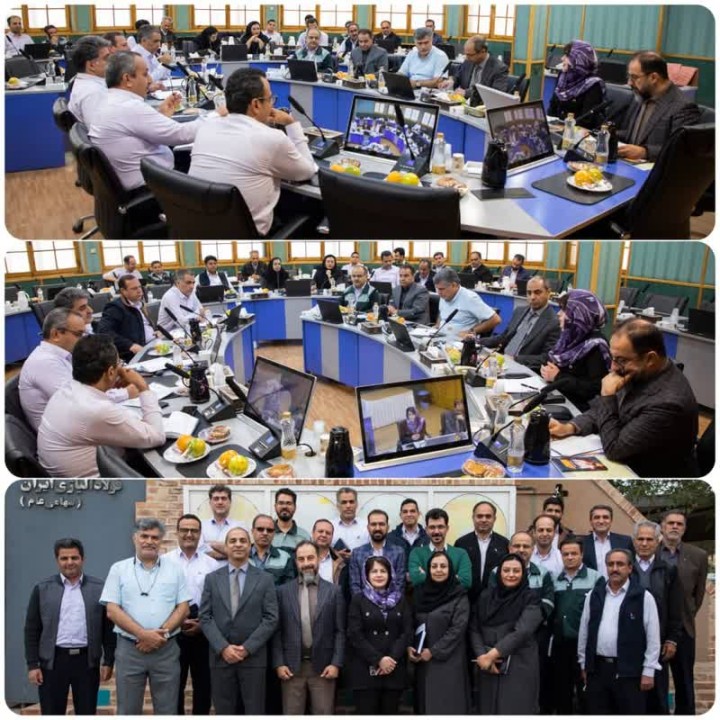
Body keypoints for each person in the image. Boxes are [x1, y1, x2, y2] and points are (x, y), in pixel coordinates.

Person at [549, 318, 699, 477]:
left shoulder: (668, 403)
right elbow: (601, 411)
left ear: (650, 359)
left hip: (646, 474)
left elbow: (615, 449)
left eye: (621, 360)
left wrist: (607, 397)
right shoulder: (642, 372)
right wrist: (570, 427)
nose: (613, 367)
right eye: (613, 358)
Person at [188, 68, 316, 237]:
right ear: (256, 105)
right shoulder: (271, 138)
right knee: (312, 210)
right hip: (248, 239)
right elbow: (308, 171)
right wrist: (291, 123)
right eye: (270, 99)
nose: (272, 105)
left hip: (199, 230)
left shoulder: (206, 127)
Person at [37, 335, 165, 477]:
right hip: (97, 485)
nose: (121, 368)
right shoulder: (95, 409)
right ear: (110, 372)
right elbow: (157, 437)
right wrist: (143, 388)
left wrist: (109, 385)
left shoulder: (67, 389)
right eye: (119, 364)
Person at [100, 518, 191, 715]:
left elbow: (184, 608)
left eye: (155, 537)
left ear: (161, 541)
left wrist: (160, 635)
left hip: (166, 650)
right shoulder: (118, 569)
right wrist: (143, 635)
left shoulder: (175, 569)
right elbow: (112, 610)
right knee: (128, 710)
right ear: (135, 538)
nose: (149, 541)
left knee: (168, 711)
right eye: (144, 536)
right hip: (129, 650)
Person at [24, 538, 115, 715]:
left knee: (87, 712)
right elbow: (32, 630)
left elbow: (108, 630)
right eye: (64, 558)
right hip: (53, 663)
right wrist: (32, 665)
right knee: (52, 712)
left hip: (87, 662)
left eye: (74, 557)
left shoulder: (99, 588)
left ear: (83, 559)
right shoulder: (42, 589)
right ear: (57, 560)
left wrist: (108, 661)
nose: (69, 562)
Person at [89, 52, 196, 193]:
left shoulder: (109, 101)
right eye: (145, 74)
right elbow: (180, 135)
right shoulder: (129, 107)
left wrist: (162, 116)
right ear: (127, 79)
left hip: (142, 180)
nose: (150, 80)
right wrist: (216, 117)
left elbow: (137, 130)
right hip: (153, 188)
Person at [199, 526, 279, 714]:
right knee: (224, 711)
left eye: (243, 541)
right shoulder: (212, 579)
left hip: (253, 658)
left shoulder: (265, 579)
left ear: (250, 546)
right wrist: (223, 648)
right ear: (226, 547)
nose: (238, 544)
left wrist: (247, 648)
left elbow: (271, 618)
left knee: (254, 710)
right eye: (233, 541)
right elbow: (205, 616)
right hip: (221, 658)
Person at [577, 548, 662, 714]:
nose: (615, 568)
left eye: (620, 564)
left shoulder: (643, 597)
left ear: (630, 568)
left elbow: (653, 637)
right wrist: (584, 663)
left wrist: (649, 670)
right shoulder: (594, 595)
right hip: (598, 670)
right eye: (611, 564)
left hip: (630, 672)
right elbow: (584, 631)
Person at [19, 309, 131, 431]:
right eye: (78, 334)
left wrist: (111, 383)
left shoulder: (63, 356)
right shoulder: (44, 362)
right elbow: (80, 401)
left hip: (75, 423)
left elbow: (86, 388)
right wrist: (127, 392)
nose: (83, 340)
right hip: (65, 433)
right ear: (56, 334)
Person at [273, 541, 346, 714]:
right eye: (301, 559)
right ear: (296, 562)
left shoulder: (334, 591)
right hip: (291, 668)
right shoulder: (282, 592)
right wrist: (279, 663)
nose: (306, 563)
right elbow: (277, 632)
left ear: (318, 559)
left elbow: (340, 631)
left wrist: (336, 663)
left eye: (310, 558)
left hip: (323, 667)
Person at [471, 553, 544, 714]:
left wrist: (493, 654)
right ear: (499, 572)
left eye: (516, 571)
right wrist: (482, 655)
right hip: (487, 666)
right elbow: (474, 628)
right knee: (488, 709)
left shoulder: (531, 598)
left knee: (515, 708)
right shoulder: (485, 596)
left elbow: (523, 631)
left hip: (519, 664)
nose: (511, 575)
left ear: (523, 573)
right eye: (506, 570)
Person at [165, 514, 220, 715]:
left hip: (203, 629)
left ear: (200, 534)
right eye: (184, 530)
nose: (189, 534)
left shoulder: (211, 564)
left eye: (194, 530)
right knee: (174, 685)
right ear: (177, 532)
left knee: (204, 685)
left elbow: (217, 601)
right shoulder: (164, 562)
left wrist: (203, 625)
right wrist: (175, 622)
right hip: (172, 630)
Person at [346, 557, 411, 714]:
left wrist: (391, 659)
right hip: (365, 671)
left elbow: (407, 631)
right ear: (366, 575)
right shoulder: (358, 600)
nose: (379, 575)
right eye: (374, 571)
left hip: (393, 670)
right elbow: (355, 634)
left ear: (390, 574)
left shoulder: (400, 600)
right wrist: (378, 660)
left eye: (383, 571)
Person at [660, 509, 708, 715]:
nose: (674, 527)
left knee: (685, 683)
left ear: (685, 529)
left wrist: (685, 615)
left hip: (684, 629)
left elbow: (698, 594)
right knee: (655, 682)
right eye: (670, 523)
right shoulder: (651, 552)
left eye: (679, 524)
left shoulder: (698, 555)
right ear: (662, 526)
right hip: (656, 627)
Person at [632, 520, 683, 714]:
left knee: (657, 697)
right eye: (640, 539)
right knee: (631, 697)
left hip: (659, 643)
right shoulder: (624, 568)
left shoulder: (668, 570)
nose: (644, 544)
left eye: (649, 539)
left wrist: (672, 639)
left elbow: (675, 607)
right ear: (634, 541)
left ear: (658, 541)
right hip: (629, 642)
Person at [410, 550, 470, 714]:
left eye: (443, 566)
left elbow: (458, 628)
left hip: (449, 661)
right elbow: (410, 622)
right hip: (422, 661)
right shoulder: (419, 593)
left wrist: (434, 652)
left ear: (450, 569)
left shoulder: (458, 594)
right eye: (434, 566)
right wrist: (410, 647)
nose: (438, 570)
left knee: (447, 705)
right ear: (428, 569)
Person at [618, 51, 701, 162]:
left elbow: (681, 150)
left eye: (634, 77)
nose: (629, 83)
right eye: (629, 77)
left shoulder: (683, 107)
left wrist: (645, 152)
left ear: (653, 78)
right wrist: (607, 134)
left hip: (656, 168)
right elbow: (634, 135)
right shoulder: (641, 95)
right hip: (628, 164)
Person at [551, 535, 602, 714]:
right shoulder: (554, 579)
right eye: (566, 554)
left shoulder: (596, 578)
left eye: (574, 553)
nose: (570, 557)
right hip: (560, 645)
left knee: (585, 693)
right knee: (562, 693)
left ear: (582, 554)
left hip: (585, 645)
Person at [539, 289, 612, 411]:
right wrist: (547, 370)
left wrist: (558, 377)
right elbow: (553, 360)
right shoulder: (570, 337)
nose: (558, 314)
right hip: (559, 397)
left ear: (579, 315)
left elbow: (595, 389)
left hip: (579, 410)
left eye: (564, 310)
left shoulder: (596, 345)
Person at [478, 276, 561, 371]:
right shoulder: (519, 311)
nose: (532, 297)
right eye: (529, 293)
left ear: (548, 292)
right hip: (502, 362)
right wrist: (477, 341)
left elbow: (546, 358)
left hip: (523, 368)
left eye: (537, 292)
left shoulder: (554, 322)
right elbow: (503, 337)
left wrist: (515, 359)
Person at [455, 501, 510, 600]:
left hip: (495, 600)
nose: (484, 520)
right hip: (467, 599)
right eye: (479, 516)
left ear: (494, 519)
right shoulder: (461, 543)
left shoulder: (504, 543)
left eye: (488, 516)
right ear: (473, 518)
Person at [98, 275, 158, 361]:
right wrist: (130, 345)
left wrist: (157, 331)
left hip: (154, 345)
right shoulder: (115, 308)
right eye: (134, 288)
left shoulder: (139, 304)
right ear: (123, 291)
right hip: (134, 354)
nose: (139, 291)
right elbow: (103, 331)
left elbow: (146, 325)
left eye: (139, 287)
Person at [409, 508, 472, 590]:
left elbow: (466, 582)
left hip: (453, 599)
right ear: (426, 530)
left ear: (447, 528)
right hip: (426, 598)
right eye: (432, 527)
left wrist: (426, 576)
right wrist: (454, 577)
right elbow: (416, 580)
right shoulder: (416, 553)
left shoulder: (461, 554)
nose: (436, 531)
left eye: (440, 527)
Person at [549, 40, 606, 128]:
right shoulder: (563, 77)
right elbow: (552, 109)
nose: (562, 58)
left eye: (567, 56)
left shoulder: (593, 85)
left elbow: (586, 122)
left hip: (576, 132)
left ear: (579, 60)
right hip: (557, 129)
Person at [349, 510, 406, 596]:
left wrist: (389, 602)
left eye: (381, 524)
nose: (377, 528)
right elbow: (355, 585)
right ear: (368, 527)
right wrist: (364, 602)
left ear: (388, 527)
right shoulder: (357, 553)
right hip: (363, 603)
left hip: (393, 602)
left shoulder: (398, 552)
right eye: (373, 524)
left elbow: (399, 584)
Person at [434, 267, 501, 338]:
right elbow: (442, 314)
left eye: (441, 289)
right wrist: (437, 326)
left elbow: (495, 319)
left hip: (459, 341)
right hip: (441, 338)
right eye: (437, 288)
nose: (439, 292)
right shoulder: (444, 295)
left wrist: (471, 331)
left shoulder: (470, 298)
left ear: (454, 285)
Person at [451, 36, 508, 107]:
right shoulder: (468, 61)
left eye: (470, 55)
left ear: (482, 51)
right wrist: (451, 81)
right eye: (466, 54)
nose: (467, 58)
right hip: (462, 105)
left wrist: (466, 93)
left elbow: (496, 95)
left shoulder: (499, 68)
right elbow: (458, 76)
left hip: (482, 108)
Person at [67, 36, 111, 126]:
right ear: (91, 65)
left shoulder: (85, 84)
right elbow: (99, 130)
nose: (111, 62)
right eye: (106, 58)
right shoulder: (94, 93)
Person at [581, 504, 633, 578]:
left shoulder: (625, 542)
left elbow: (631, 568)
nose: (601, 521)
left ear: (611, 521)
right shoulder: (582, 543)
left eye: (605, 517)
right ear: (591, 521)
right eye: (597, 517)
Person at [200, 485, 247, 565]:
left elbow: (243, 552)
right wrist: (229, 550)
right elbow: (199, 553)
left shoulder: (240, 526)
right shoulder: (201, 526)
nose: (220, 502)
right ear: (210, 503)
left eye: (224, 498)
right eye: (216, 499)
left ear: (230, 502)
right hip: (207, 572)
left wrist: (212, 545)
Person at [249, 514, 296, 585]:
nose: (265, 533)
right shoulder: (242, 555)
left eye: (269, 530)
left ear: (274, 533)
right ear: (252, 531)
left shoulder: (285, 557)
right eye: (260, 529)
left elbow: (288, 587)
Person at [132, 24, 172, 89]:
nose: (159, 45)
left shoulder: (150, 53)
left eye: (159, 41)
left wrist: (166, 64)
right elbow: (148, 80)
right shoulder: (136, 56)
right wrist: (164, 64)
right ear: (143, 40)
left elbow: (165, 76)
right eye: (155, 41)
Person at [332, 487, 370, 557]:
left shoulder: (367, 526)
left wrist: (355, 556)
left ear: (357, 504)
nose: (348, 506)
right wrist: (335, 555)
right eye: (344, 502)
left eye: (351, 502)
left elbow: (373, 551)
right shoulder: (330, 527)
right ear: (338, 505)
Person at [312, 519, 348, 586]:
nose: (324, 535)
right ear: (313, 533)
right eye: (320, 531)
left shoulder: (341, 562)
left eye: (328, 533)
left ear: (332, 537)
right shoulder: (301, 558)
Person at [530, 513, 564, 578]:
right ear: (534, 532)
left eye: (549, 530)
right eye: (541, 530)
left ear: (555, 533)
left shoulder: (561, 558)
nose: (545, 534)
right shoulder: (527, 556)